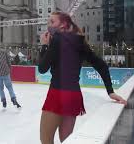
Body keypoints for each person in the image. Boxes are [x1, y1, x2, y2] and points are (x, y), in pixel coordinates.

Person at [38, 11, 127, 144]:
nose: (49, 25)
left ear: (63, 25)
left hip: (57, 94)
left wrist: (44, 45)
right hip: (74, 96)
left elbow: (42, 69)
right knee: (66, 140)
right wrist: (110, 91)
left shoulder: (57, 40)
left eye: (52, 22)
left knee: (45, 140)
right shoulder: (80, 42)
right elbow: (101, 65)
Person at [0, 42, 21, 108]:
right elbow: (8, 61)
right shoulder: (3, 52)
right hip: (5, 72)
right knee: (9, 87)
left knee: (0, 88)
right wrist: (9, 68)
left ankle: (3, 100)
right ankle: (13, 99)